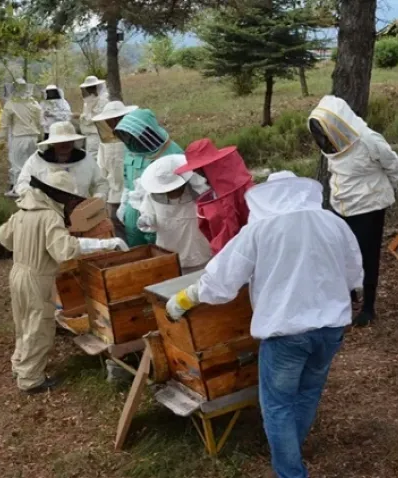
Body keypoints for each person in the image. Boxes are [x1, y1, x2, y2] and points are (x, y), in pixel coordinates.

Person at [165, 172, 363, 478]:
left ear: (269, 197)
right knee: (308, 392)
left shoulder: (260, 229)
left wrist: (185, 298)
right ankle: (292, 450)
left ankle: (290, 470)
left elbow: (221, 281)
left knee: (278, 405)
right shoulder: (334, 223)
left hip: (286, 336)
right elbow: (354, 273)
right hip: (330, 330)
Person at [0, 170, 128, 393]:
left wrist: (29, 244)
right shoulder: (50, 216)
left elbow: (4, 237)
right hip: (37, 277)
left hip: (17, 272)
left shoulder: (23, 211)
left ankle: (19, 364)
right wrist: (103, 244)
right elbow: (64, 250)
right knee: (39, 327)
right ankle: (31, 380)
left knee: (24, 322)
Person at [308, 95, 398, 327]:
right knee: (342, 252)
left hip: (369, 208)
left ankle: (368, 307)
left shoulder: (369, 140)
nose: (323, 138)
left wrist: (380, 192)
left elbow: (397, 169)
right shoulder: (333, 145)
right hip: (340, 204)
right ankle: (349, 295)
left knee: (367, 256)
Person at [114, 108, 184, 247]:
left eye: (135, 135)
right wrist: (123, 203)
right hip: (133, 210)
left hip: (160, 211)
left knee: (161, 250)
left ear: (148, 132)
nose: (132, 140)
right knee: (137, 250)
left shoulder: (173, 152)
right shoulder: (130, 149)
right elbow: (127, 179)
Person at [137, 154, 212, 273]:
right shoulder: (151, 196)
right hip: (168, 254)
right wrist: (146, 220)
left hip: (199, 253)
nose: (172, 191)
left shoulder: (199, 190)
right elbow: (148, 216)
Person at [179, 139, 254, 254]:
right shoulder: (223, 185)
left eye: (199, 170)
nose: (199, 174)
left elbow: (227, 232)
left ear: (209, 166)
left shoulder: (228, 195)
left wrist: (219, 257)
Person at [15, 121, 108, 199]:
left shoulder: (86, 159)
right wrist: (34, 196)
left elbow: (101, 183)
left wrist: (98, 198)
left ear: (74, 141)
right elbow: (22, 183)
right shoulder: (36, 160)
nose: (65, 144)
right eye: (60, 142)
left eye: (68, 141)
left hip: (80, 208)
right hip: (47, 208)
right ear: (53, 143)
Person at [93, 101, 139, 241]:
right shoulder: (104, 145)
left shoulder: (136, 141)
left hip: (136, 197)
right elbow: (101, 173)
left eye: (117, 119)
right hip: (114, 198)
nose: (113, 123)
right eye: (110, 121)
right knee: (122, 239)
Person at [3, 79, 44, 198]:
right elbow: (41, 122)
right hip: (33, 137)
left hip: (19, 138)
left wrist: (1, 139)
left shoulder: (10, 103)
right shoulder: (34, 103)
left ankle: (18, 190)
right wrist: (41, 137)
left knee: (17, 165)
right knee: (32, 164)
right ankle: (32, 188)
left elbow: (4, 124)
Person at [78, 75, 109, 162]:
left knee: (99, 158)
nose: (89, 90)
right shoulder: (87, 102)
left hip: (99, 135)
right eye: (88, 88)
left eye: (91, 88)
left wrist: (82, 117)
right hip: (89, 136)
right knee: (92, 158)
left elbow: (95, 118)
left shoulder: (104, 100)